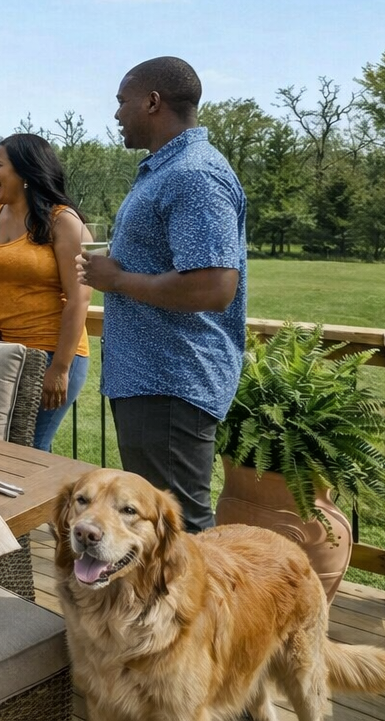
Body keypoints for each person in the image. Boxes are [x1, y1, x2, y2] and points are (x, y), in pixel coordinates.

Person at [79, 56, 247, 533]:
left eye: (121, 102)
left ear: (152, 102)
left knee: (181, 528)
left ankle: (198, 611)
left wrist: (116, 280)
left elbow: (214, 286)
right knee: (156, 526)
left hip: (172, 377)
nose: (116, 115)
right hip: (150, 378)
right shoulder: (168, 170)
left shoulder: (194, 174)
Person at [0, 134, 92, 452]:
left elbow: (80, 298)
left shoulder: (62, 221)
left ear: (25, 172)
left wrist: (59, 368)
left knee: (28, 450)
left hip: (44, 355)